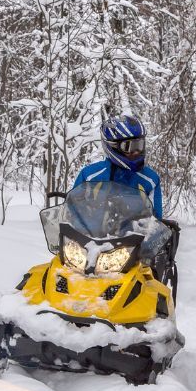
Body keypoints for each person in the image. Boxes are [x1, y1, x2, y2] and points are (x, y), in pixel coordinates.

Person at [72, 114, 175, 279]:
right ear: (112, 146)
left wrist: (149, 247)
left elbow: (156, 220)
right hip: (89, 248)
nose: (137, 151)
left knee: (150, 285)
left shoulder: (149, 179)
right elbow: (73, 211)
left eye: (140, 145)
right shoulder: (90, 175)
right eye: (130, 146)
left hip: (132, 252)